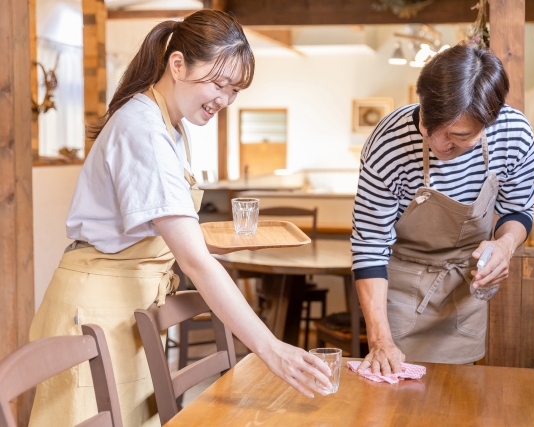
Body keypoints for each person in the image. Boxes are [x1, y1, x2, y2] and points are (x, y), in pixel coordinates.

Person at [29, 10, 330, 427]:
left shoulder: (169, 125)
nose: (224, 99)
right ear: (177, 64)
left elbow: (165, 231)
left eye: (234, 89)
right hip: (94, 308)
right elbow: (193, 260)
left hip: (128, 305)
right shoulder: (143, 129)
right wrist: (269, 347)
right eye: (218, 83)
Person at [352, 44, 534, 375]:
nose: (438, 144)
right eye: (428, 126)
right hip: (400, 292)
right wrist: (380, 340)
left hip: (464, 288)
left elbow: (517, 210)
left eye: (458, 136)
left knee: (460, 401)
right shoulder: (387, 142)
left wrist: (505, 245)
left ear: (489, 122)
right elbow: (369, 246)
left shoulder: (514, 134)